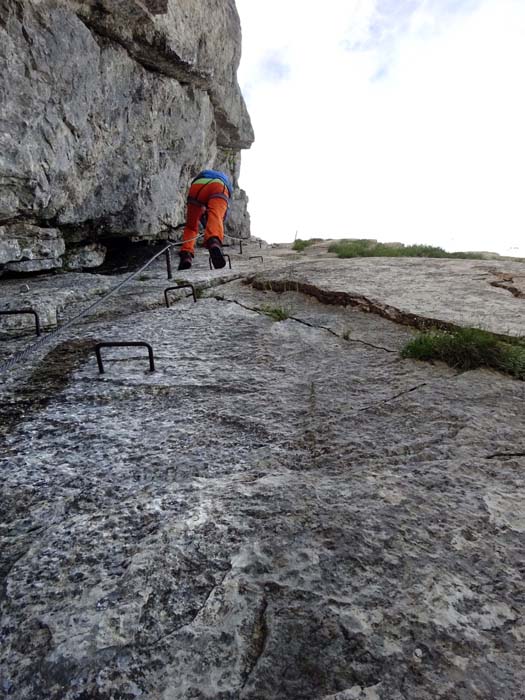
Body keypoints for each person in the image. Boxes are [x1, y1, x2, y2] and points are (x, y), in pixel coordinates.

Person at [178, 169, 233, 270]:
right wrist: (211, 230)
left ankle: (186, 254)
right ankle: (214, 242)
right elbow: (219, 217)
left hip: (197, 186)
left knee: (191, 226)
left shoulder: (207, 173)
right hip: (219, 185)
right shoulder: (228, 189)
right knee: (216, 215)